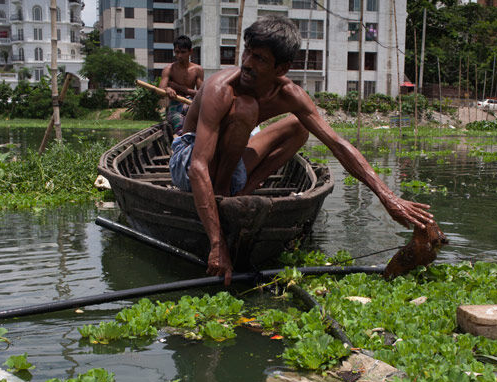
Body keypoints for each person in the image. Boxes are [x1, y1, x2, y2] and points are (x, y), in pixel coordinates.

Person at [170, 16, 433, 284]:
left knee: (299, 127)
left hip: (228, 162)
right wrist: (217, 243)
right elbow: (198, 166)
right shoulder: (221, 89)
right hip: (188, 159)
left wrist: (388, 197)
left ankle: (241, 194)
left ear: (281, 68)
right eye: (247, 51)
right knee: (246, 107)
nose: (247, 63)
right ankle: (223, 197)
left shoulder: (289, 94)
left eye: (259, 58)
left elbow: (337, 144)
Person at [158, 35, 204, 135]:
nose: (179, 55)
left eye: (183, 52)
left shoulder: (197, 70)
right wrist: (168, 89)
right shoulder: (169, 69)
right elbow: (160, 90)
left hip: (190, 104)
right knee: (178, 123)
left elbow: (201, 94)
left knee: (198, 124)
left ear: (190, 52)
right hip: (175, 105)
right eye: (177, 52)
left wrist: (179, 88)